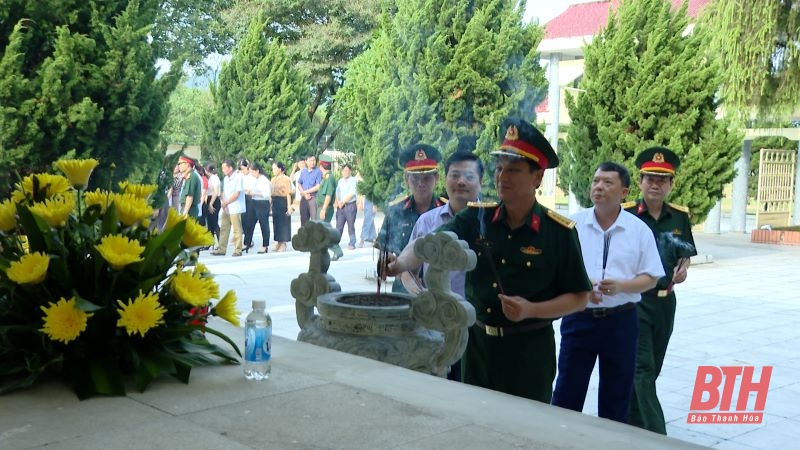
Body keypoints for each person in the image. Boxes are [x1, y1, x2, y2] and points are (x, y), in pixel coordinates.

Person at [388, 117, 592, 402]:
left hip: (528, 353)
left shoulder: (558, 232)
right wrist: (399, 264)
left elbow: (579, 297)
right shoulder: (477, 216)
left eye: (514, 170)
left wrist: (530, 309)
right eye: (499, 169)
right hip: (477, 347)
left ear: (537, 177)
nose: (502, 177)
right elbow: (428, 243)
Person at [551, 162, 664, 423]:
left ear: (624, 192)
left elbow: (651, 278)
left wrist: (622, 286)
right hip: (579, 318)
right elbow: (557, 270)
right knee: (567, 392)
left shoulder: (638, 230)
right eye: (595, 181)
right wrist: (581, 285)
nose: (599, 187)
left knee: (616, 397)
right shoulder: (572, 225)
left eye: (607, 182)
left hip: (621, 321)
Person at [626, 147, 697, 434]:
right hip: (636, 302)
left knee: (652, 368)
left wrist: (684, 268)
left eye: (662, 180)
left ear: (671, 184)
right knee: (641, 367)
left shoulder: (679, 217)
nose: (655, 185)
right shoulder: (627, 214)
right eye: (650, 178)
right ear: (640, 181)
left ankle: (631, 421)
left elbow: (686, 254)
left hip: (666, 304)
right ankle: (656, 432)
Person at [408, 150, 483, 381]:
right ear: (445, 179)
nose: (461, 181)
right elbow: (409, 269)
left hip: (477, 327)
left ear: (481, 182)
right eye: (455, 175)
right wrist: (420, 294)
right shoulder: (427, 221)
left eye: (469, 176)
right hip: (435, 325)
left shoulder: (493, 222)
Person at [376, 143, 446, 292]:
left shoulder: (446, 212)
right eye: (415, 178)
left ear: (437, 178)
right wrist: (387, 260)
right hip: (402, 291)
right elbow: (384, 247)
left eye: (426, 177)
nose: (421, 183)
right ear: (406, 180)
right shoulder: (395, 211)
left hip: (439, 291)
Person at [212, 159, 246, 257]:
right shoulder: (226, 179)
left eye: (224, 168)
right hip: (226, 207)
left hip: (235, 207)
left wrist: (226, 202)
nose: (222, 170)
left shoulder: (238, 177)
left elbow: (237, 194)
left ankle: (238, 249)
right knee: (224, 228)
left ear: (230, 168)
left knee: (236, 229)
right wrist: (224, 203)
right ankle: (222, 249)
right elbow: (223, 192)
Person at [317, 155, 343, 260]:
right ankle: (326, 251)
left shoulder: (329, 178)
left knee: (324, 231)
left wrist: (323, 209)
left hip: (325, 207)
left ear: (321, 166)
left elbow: (328, 195)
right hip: (323, 207)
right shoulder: (327, 177)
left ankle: (337, 250)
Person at [248, 162, 272, 254]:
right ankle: (248, 242)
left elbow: (266, 194)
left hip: (262, 203)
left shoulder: (264, 180)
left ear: (257, 171)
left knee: (264, 225)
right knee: (250, 223)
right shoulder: (255, 179)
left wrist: (254, 193)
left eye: (252, 172)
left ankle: (265, 245)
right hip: (254, 202)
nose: (251, 174)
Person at [334, 163, 359, 250]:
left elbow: (352, 194)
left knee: (351, 225)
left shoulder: (353, 181)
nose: (346, 172)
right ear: (342, 171)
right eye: (344, 170)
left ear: (350, 171)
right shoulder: (340, 181)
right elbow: (337, 192)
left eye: (347, 170)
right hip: (340, 206)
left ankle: (352, 243)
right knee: (339, 225)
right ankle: (335, 242)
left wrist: (343, 202)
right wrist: (338, 202)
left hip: (350, 205)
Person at [271, 161, 293, 252]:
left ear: (280, 169)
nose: (273, 171)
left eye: (275, 169)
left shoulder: (286, 179)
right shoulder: (273, 179)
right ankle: (278, 242)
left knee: (284, 223)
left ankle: (283, 243)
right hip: (275, 201)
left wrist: (289, 206)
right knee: (276, 223)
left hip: (283, 201)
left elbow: (288, 193)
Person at [297, 154, 322, 225]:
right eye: (310, 160)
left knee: (314, 221)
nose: (313, 162)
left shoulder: (318, 171)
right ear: (306, 162)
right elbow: (299, 183)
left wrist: (305, 192)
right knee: (303, 221)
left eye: (314, 160)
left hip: (313, 198)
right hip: (304, 198)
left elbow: (318, 186)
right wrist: (304, 194)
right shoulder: (303, 171)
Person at [205, 163, 221, 249]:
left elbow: (215, 192)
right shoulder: (211, 178)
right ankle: (210, 242)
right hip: (210, 199)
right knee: (210, 223)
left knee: (214, 222)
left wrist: (211, 203)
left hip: (214, 200)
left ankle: (220, 242)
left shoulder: (215, 178)